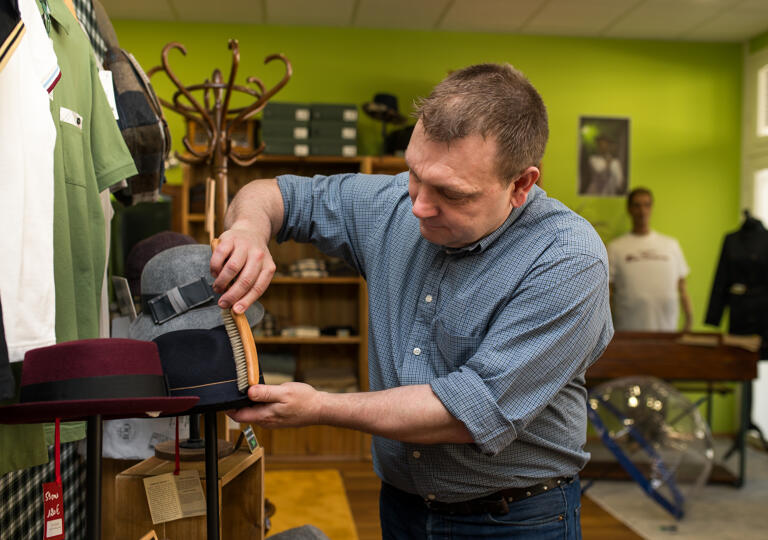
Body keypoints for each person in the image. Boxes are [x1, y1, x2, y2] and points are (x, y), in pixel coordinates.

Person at [211, 63, 613, 539]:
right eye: (415, 174)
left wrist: (321, 408)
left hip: (515, 520)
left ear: (521, 185)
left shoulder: (568, 258)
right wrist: (248, 230)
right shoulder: (393, 203)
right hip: (401, 508)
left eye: (449, 193)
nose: (418, 204)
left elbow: (466, 411)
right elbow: (273, 194)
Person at [607, 188, 693, 332]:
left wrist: (689, 319)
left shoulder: (671, 245)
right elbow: (608, 293)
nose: (642, 211)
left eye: (647, 205)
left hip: (667, 330)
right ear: (629, 209)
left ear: (652, 208)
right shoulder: (615, 248)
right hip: (628, 331)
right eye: (637, 205)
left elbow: (682, 287)